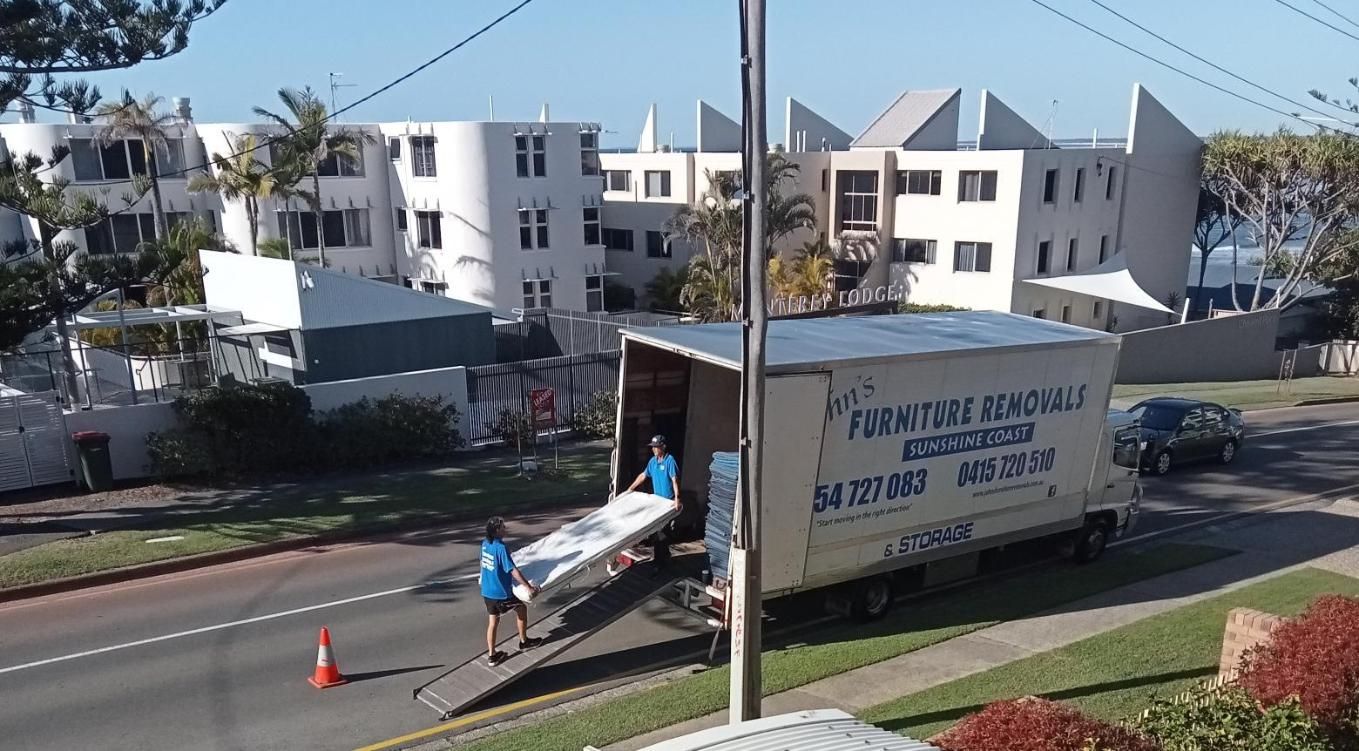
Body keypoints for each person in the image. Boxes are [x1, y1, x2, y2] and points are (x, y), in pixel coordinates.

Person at [480, 516, 541, 667]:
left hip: (487, 591)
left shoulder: (485, 543)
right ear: (496, 530)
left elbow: (483, 562)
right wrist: (528, 587)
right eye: (503, 527)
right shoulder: (501, 548)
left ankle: (492, 656)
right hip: (501, 593)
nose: (505, 529)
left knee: (493, 621)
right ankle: (524, 641)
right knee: (521, 608)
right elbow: (513, 570)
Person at [621, 435, 682, 568]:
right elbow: (643, 475)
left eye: (656, 447)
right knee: (657, 531)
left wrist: (677, 499)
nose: (654, 449)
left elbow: (674, 479)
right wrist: (630, 489)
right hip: (657, 502)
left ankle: (660, 561)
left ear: (663, 447)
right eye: (653, 447)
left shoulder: (670, 461)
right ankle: (663, 557)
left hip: (668, 503)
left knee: (662, 533)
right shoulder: (653, 462)